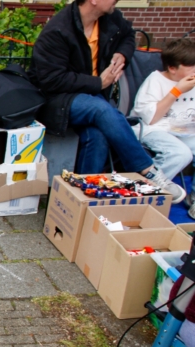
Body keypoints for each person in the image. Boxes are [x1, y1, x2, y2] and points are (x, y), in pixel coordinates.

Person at [30, 0, 185, 203]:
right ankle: (146, 169)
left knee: (98, 134)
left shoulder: (109, 18)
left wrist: (122, 54)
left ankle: (84, 201)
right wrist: (98, 82)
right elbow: (50, 79)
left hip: (92, 97)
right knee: (101, 110)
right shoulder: (57, 31)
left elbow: (129, 35)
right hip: (56, 101)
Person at [130, 38, 195, 214]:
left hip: (184, 130)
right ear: (173, 68)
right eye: (191, 66)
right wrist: (176, 91)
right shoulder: (156, 81)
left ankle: (193, 197)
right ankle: (148, 192)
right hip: (152, 129)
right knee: (181, 153)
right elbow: (150, 119)